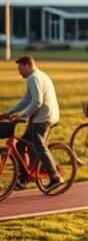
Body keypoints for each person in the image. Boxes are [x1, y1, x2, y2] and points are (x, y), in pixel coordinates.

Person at [0, 56, 64, 189]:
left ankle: (55, 176)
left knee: (39, 145)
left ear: (27, 65)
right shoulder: (39, 75)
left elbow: (37, 102)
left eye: (20, 68)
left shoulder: (33, 78)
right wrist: (9, 113)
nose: (19, 72)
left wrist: (22, 114)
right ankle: (24, 177)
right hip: (41, 116)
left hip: (43, 118)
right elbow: (26, 100)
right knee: (20, 145)